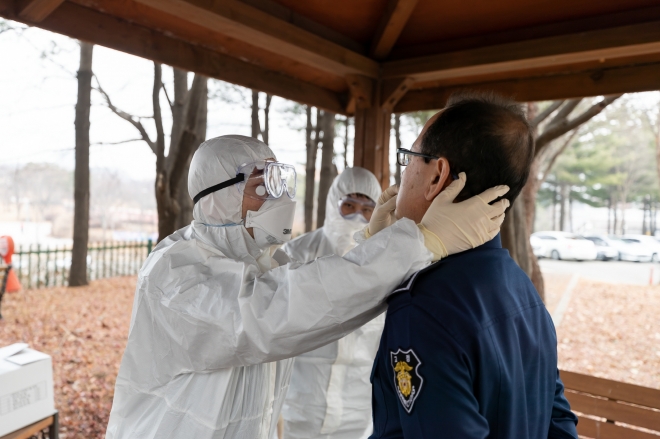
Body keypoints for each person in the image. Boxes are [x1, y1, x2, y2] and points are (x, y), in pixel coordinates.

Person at [105, 135, 509, 439]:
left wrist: (373, 244)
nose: (278, 198)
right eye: (262, 187)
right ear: (220, 198)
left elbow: (319, 293)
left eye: (280, 183)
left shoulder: (268, 260)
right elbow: (267, 315)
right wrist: (418, 243)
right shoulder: (174, 271)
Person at [368, 92, 578, 438]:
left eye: (409, 159)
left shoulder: (423, 306)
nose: (401, 176)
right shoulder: (521, 287)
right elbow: (557, 421)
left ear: (437, 176)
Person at [281, 167, 383, 439]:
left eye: (366, 209)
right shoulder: (296, 255)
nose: (357, 217)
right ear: (333, 203)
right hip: (298, 407)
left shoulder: (383, 264)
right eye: (348, 206)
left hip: (358, 412)